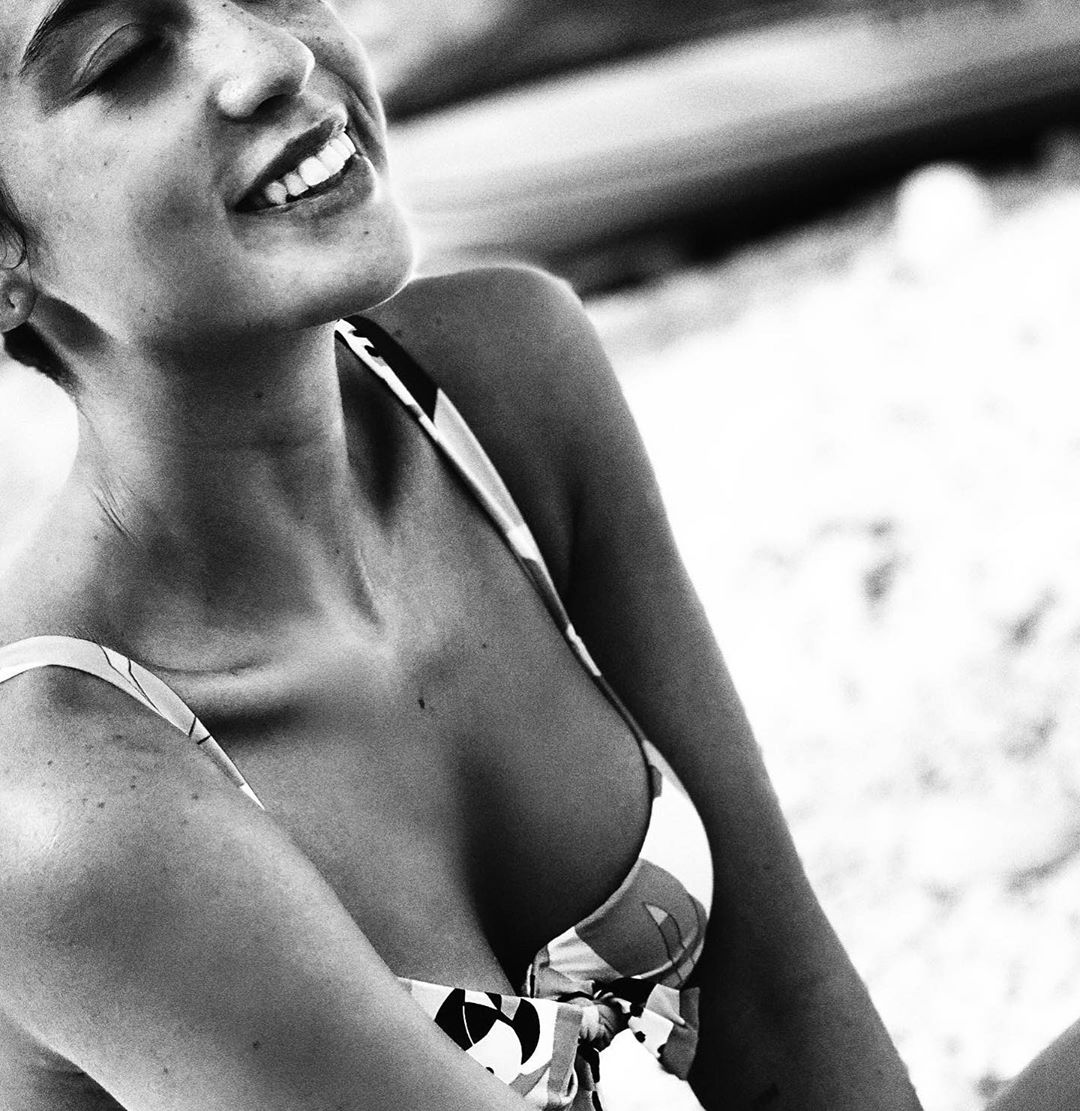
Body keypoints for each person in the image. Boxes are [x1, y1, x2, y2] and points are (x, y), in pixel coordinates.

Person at [0, 3, 923, 1109]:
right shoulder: (60, 800)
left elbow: (784, 1003)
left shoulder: (499, 387)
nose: (274, 58)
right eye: (125, 55)